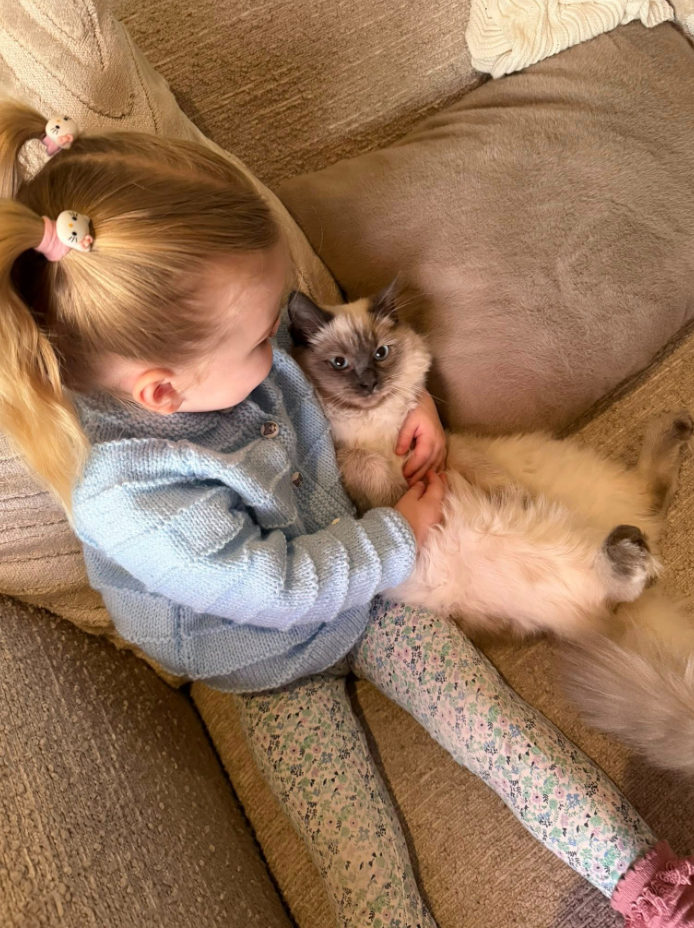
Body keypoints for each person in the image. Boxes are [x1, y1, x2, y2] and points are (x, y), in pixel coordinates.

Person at [1, 98, 691, 928]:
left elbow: (348, 365)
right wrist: (405, 531)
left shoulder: (219, 359)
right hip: (266, 662)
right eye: (265, 336)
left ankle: (644, 877)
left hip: (371, 595)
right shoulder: (128, 497)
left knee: (497, 728)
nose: (282, 348)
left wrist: (417, 408)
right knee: (353, 845)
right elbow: (281, 588)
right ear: (162, 392)